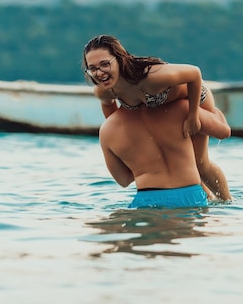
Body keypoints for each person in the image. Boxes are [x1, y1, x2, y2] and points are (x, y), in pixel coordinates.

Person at [82, 35, 231, 201]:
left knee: (200, 162)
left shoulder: (151, 77)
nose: (99, 73)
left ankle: (227, 201)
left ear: (119, 59)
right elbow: (109, 108)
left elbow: (194, 74)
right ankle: (208, 200)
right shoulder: (104, 91)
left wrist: (193, 117)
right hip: (164, 110)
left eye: (105, 64)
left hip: (195, 98)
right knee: (185, 165)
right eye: (92, 68)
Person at [98, 97, 230, 208]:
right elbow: (223, 132)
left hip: (147, 200)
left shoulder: (108, 129)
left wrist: (143, 165)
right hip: (190, 195)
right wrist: (210, 107)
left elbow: (124, 180)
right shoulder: (182, 108)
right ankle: (227, 201)